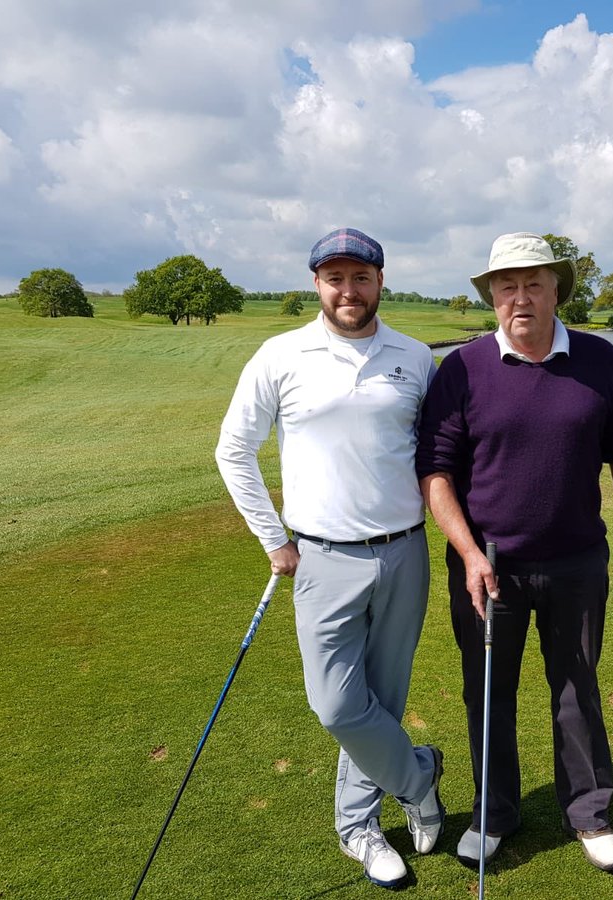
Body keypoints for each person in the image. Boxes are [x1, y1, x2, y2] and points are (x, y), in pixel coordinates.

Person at [416, 232, 613, 874]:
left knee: (576, 687)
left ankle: (589, 813)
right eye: (506, 286)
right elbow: (435, 473)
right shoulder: (462, 368)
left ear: (557, 291)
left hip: (577, 560)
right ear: (492, 296)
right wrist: (467, 552)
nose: (520, 298)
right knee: (488, 691)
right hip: (489, 566)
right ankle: (494, 813)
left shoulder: (599, 359)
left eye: (534, 284)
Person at [215, 228, 443, 889]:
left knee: (381, 702)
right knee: (339, 708)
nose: (349, 290)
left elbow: (438, 453)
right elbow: (234, 450)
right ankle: (420, 776)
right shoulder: (280, 355)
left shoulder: (413, 357)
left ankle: (359, 829)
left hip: (404, 553)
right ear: (316, 284)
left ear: (380, 281)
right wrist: (273, 539)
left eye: (361, 277)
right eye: (335, 278)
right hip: (320, 558)